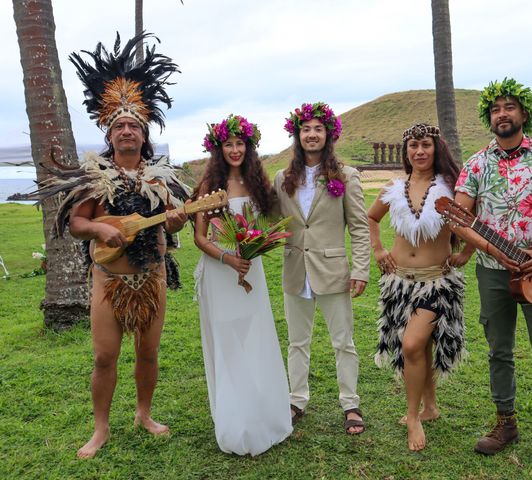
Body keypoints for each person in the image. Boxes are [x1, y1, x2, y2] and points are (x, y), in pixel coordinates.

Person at [31, 33, 189, 458]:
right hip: (109, 281)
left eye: (132, 125)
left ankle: (143, 413)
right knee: (104, 357)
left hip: (152, 277)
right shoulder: (93, 177)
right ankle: (100, 428)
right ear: (109, 132)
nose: (125, 131)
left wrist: (178, 219)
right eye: (118, 125)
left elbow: (178, 217)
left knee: (150, 354)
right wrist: (100, 230)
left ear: (144, 133)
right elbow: (78, 221)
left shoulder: (163, 178)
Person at [451, 78, 532, 472]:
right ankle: (505, 423)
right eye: (495, 109)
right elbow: (459, 219)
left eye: (509, 107)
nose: (502, 114)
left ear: (524, 114)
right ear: (489, 118)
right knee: (499, 350)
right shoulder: (476, 163)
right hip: (493, 273)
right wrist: (492, 249)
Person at [192, 114, 292, 456]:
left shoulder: (257, 186)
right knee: (228, 339)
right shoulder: (209, 188)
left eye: (240, 144)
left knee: (255, 335)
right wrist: (228, 259)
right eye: (228, 144)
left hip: (252, 268)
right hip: (221, 270)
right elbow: (199, 238)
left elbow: (267, 223)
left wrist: (256, 247)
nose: (234, 150)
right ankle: (237, 422)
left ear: (249, 149)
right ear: (218, 149)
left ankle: (264, 414)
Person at [368, 123, 465, 451]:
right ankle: (430, 408)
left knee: (411, 346)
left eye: (425, 145)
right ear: (406, 151)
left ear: (437, 149)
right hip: (399, 284)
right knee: (420, 347)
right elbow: (370, 218)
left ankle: (412, 417)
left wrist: (465, 252)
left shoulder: (450, 189)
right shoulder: (394, 188)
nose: (419, 151)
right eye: (413, 145)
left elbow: (473, 222)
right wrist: (379, 249)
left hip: (435, 284)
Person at [274, 102, 370, 434]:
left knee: (343, 341)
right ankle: (296, 400)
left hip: (332, 270)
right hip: (295, 269)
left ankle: (351, 403)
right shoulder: (282, 178)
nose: (311, 134)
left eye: (318, 129)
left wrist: (360, 269)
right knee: (297, 342)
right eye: (305, 129)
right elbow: (274, 221)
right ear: (297, 135)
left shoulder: (346, 176)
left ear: (328, 134)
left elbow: (359, 226)